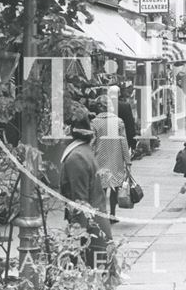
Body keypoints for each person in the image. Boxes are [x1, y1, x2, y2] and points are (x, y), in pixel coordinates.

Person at [60, 114, 113, 268]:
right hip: (95, 229)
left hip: (90, 234)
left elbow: (80, 202)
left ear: (68, 130)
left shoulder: (76, 157)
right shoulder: (83, 151)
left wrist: (75, 241)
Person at [90, 95, 132, 224]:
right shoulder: (118, 121)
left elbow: (92, 143)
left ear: (99, 107)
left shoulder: (94, 123)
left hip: (99, 158)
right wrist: (127, 160)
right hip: (116, 158)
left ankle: (101, 213)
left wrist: (89, 159)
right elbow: (124, 142)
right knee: (114, 186)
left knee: (101, 187)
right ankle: (112, 214)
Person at [117, 84, 138, 152]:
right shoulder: (125, 106)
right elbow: (130, 125)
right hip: (122, 138)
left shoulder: (102, 105)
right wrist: (133, 143)